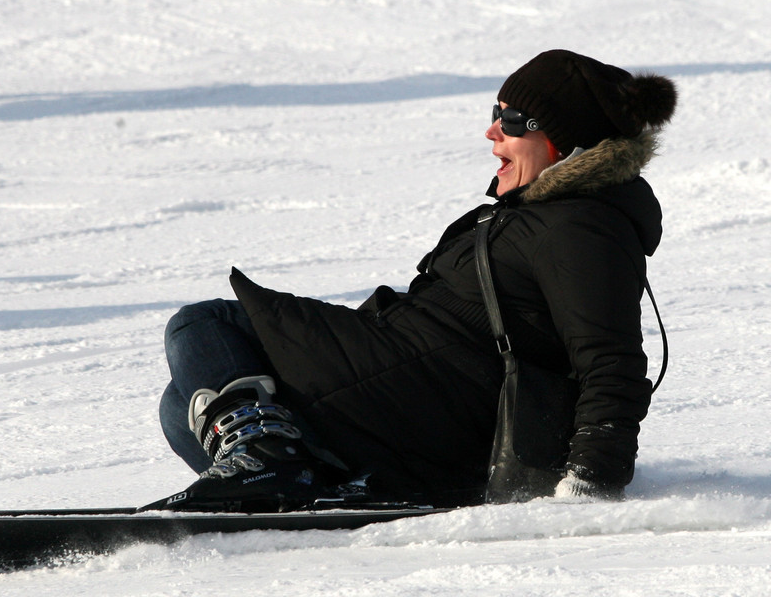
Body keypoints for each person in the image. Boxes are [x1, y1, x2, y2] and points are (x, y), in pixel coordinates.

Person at [146, 49, 677, 512]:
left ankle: (270, 463)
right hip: (407, 389)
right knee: (183, 407)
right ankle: (309, 479)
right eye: (495, 114)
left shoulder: (581, 226)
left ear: (563, 141)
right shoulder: (540, 215)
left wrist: (591, 483)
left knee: (205, 324)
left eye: (513, 120)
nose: (493, 132)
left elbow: (611, 361)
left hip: (430, 405)